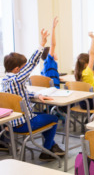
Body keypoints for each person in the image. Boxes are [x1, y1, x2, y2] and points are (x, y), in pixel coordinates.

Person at [1, 29, 65, 161]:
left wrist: (36, 95)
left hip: (10, 123)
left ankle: (50, 146)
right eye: (23, 68)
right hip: (24, 123)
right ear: (18, 69)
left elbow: (19, 94)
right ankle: (47, 151)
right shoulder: (17, 79)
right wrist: (42, 44)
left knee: (45, 116)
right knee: (53, 118)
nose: (26, 70)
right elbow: (31, 63)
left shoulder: (5, 80)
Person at [74, 32, 94, 110]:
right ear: (86, 63)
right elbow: (92, 54)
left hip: (82, 103)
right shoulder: (87, 72)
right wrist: (92, 39)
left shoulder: (77, 73)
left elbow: (86, 83)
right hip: (91, 103)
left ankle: (90, 118)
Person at [41, 17, 60, 88]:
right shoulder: (49, 62)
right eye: (54, 52)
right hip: (54, 92)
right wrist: (53, 28)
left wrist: (57, 76)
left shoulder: (46, 66)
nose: (55, 53)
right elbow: (53, 44)